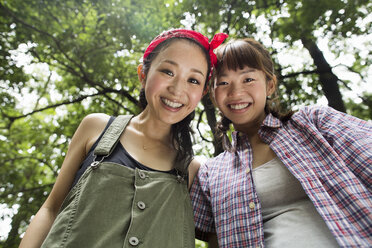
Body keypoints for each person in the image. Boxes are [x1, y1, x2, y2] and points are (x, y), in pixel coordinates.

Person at [19, 29, 228, 248]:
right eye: (168, 71)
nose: (177, 89)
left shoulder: (194, 171)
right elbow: (51, 209)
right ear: (143, 74)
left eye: (193, 80)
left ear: (203, 92)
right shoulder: (96, 128)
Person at [190, 38, 372, 248]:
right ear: (213, 94)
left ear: (270, 85)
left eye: (248, 79)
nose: (235, 92)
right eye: (222, 83)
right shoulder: (209, 174)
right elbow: (214, 242)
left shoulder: (315, 122)